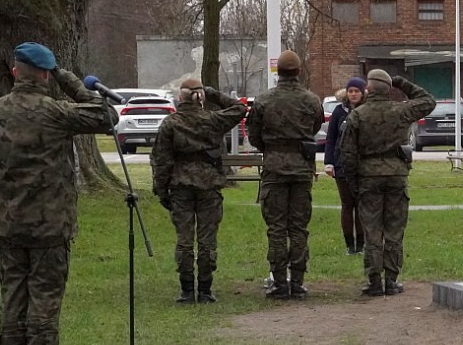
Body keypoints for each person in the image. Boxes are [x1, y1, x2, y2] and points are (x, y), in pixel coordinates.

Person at [0, 42, 119, 345]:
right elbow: (107, 117)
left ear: (14, 72)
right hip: (50, 226)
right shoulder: (55, 111)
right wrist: (67, 78)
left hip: (9, 225)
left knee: (13, 299)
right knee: (45, 299)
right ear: (44, 74)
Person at [150, 78, 249, 304]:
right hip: (209, 184)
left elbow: (162, 160)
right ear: (201, 97)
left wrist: (161, 190)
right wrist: (213, 94)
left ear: (180, 98)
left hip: (180, 185)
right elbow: (240, 108)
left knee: (184, 239)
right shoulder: (213, 120)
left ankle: (186, 290)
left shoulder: (170, 124)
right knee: (207, 239)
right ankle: (205, 289)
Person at [339, 69, 435, 296]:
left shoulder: (358, 115)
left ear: (368, 89)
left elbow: (348, 154)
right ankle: (391, 280)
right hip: (396, 175)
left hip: (368, 177)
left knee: (372, 230)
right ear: (389, 88)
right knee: (394, 229)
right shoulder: (401, 111)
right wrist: (402, 82)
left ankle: (374, 280)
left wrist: (354, 183)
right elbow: (428, 101)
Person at [244, 50, 323, 300]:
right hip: (301, 168)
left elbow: (254, 134)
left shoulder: (264, 100)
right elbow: (316, 126)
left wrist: (271, 147)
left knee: (277, 228)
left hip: (274, 168)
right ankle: (298, 281)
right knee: (299, 228)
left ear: (278, 72)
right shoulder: (311, 100)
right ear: (299, 71)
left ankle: (279, 282)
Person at [324, 78, 366, 255]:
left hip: (363, 166)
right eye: (351, 91)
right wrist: (329, 162)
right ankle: (350, 245)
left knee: (362, 206)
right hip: (342, 165)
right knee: (347, 205)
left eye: (357, 91)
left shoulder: (367, 111)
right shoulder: (339, 111)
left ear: (363, 92)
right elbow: (331, 138)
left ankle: (362, 245)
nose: (354, 94)